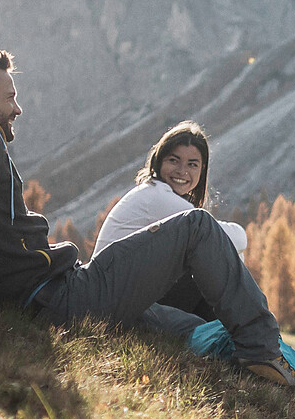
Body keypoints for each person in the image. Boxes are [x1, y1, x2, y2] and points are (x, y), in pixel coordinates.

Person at [0, 45, 295, 396]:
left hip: (52, 295)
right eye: (9, 97)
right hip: (63, 297)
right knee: (198, 228)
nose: (17, 108)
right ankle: (263, 354)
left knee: (188, 327)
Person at [92, 121, 245, 320]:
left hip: (118, 292)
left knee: (216, 261)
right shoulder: (157, 197)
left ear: (202, 169)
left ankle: (226, 328)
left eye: (192, 164)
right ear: (159, 160)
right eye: (174, 160)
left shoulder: (156, 193)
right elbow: (238, 237)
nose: (182, 171)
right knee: (219, 261)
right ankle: (243, 328)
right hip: (113, 299)